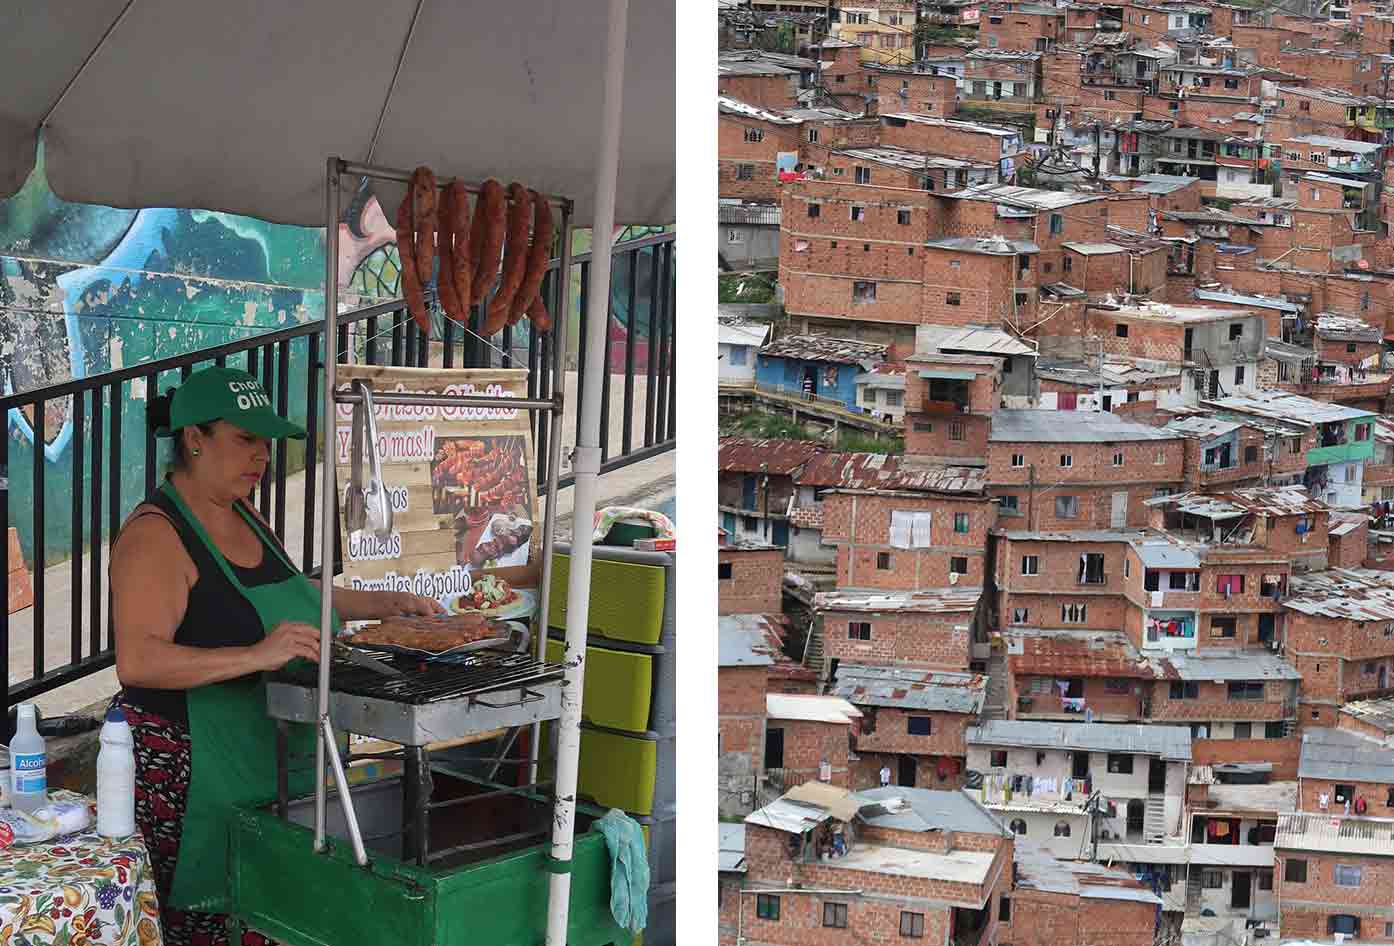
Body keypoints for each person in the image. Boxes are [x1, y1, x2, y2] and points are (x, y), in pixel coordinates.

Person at [110, 367, 436, 946]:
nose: (262, 455)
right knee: (211, 922)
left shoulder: (245, 514)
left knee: (279, 911)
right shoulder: (154, 536)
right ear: (193, 438)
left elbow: (297, 596)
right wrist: (257, 654)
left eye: (266, 441)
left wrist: (386, 603)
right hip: (190, 778)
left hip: (270, 762)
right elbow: (139, 661)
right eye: (244, 439)